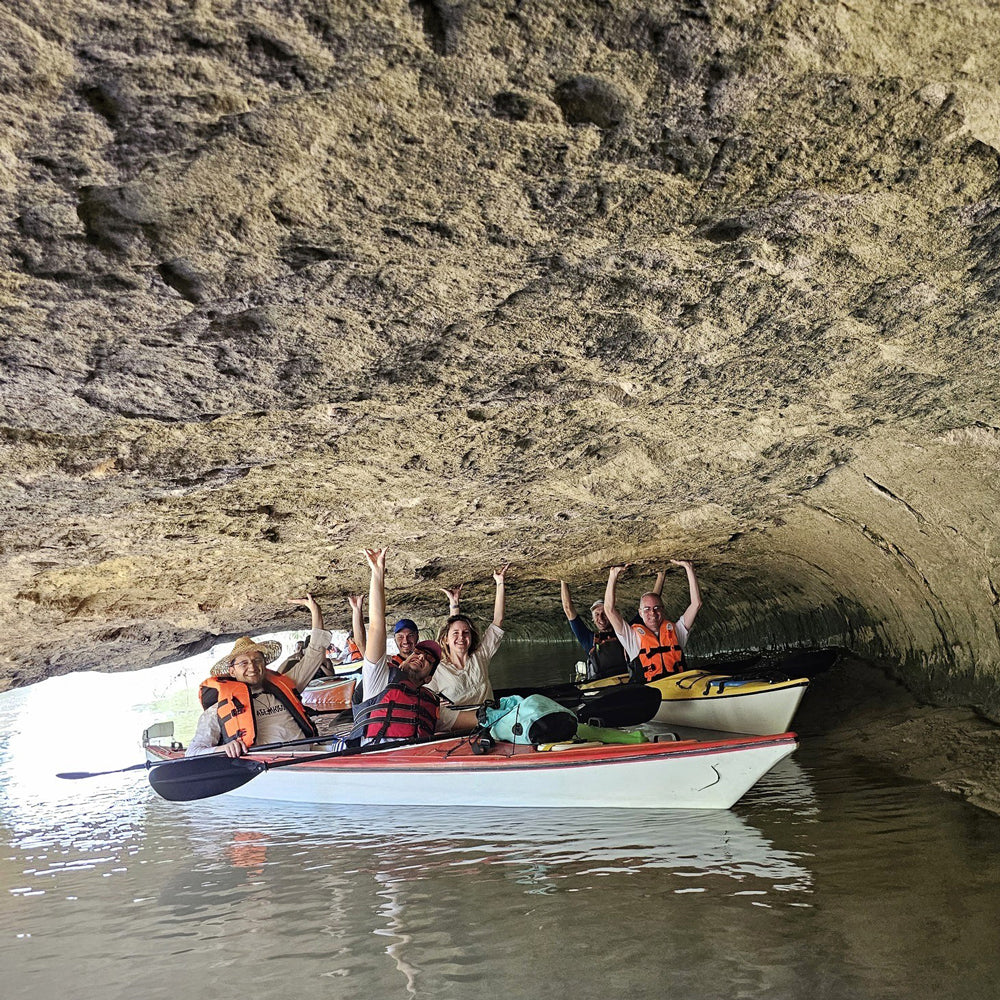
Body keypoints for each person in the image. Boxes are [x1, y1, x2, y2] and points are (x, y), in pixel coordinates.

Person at [353, 548, 477, 742]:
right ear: (403, 662)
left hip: (418, 763)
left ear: (428, 678)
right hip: (378, 762)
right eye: (418, 654)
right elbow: (377, 627)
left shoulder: (430, 705)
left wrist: (504, 711)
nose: (420, 657)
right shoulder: (378, 680)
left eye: (428, 660)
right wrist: (377, 573)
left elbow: (472, 719)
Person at [186, 593, 330, 757]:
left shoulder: (286, 686)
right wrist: (223, 748)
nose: (252, 667)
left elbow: (315, 653)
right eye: (244, 663)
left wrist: (315, 610)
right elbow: (193, 751)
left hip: (309, 756)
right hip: (269, 765)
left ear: (265, 664)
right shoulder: (218, 708)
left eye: (257, 660)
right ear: (232, 671)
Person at [429, 564, 509, 730]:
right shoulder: (437, 669)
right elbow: (424, 698)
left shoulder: (481, 656)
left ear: (471, 638)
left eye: (466, 633)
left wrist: (500, 583)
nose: (461, 638)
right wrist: (434, 699)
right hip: (457, 730)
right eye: (455, 634)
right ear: (445, 640)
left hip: (489, 724)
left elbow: (497, 621)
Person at [603, 560, 702, 681]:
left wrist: (689, 568)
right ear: (640, 613)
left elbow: (696, 604)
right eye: (647, 609)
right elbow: (609, 610)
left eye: (656, 608)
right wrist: (613, 575)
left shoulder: (676, 631)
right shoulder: (632, 637)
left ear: (663, 610)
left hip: (678, 688)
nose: (652, 613)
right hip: (650, 692)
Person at [560, 572, 665, 681]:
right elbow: (568, 609)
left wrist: (661, 576)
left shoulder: (626, 632)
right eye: (596, 614)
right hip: (602, 689)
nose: (601, 618)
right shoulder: (588, 639)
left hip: (628, 685)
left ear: (611, 615)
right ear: (592, 619)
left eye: (605, 613)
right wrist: (563, 579)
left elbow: (649, 606)